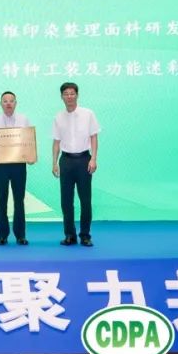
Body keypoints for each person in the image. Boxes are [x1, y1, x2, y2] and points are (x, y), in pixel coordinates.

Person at [51, 82, 99, 247]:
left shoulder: (88, 114)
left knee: (85, 200)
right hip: (66, 161)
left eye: (72, 93)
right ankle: (70, 235)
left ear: (77, 95)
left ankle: (85, 235)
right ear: (61, 97)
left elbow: (94, 137)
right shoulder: (58, 117)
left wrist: (93, 159)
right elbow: (56, 142)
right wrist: (54, 162)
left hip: (84, 160)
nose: (69, 97)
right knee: (66, 201)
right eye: (66, 94)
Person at [0, 91, 31, 246]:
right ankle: (2, 235)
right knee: (1, 200)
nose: (8, 103)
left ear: (15, 103)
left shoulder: (23, 119)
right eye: (5, 101)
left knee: (19, 200)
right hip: (1, 166)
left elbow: (28, 142)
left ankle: (20, 235)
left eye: (11, 101)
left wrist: (30, 157)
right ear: (1, 104)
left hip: (19, 165)